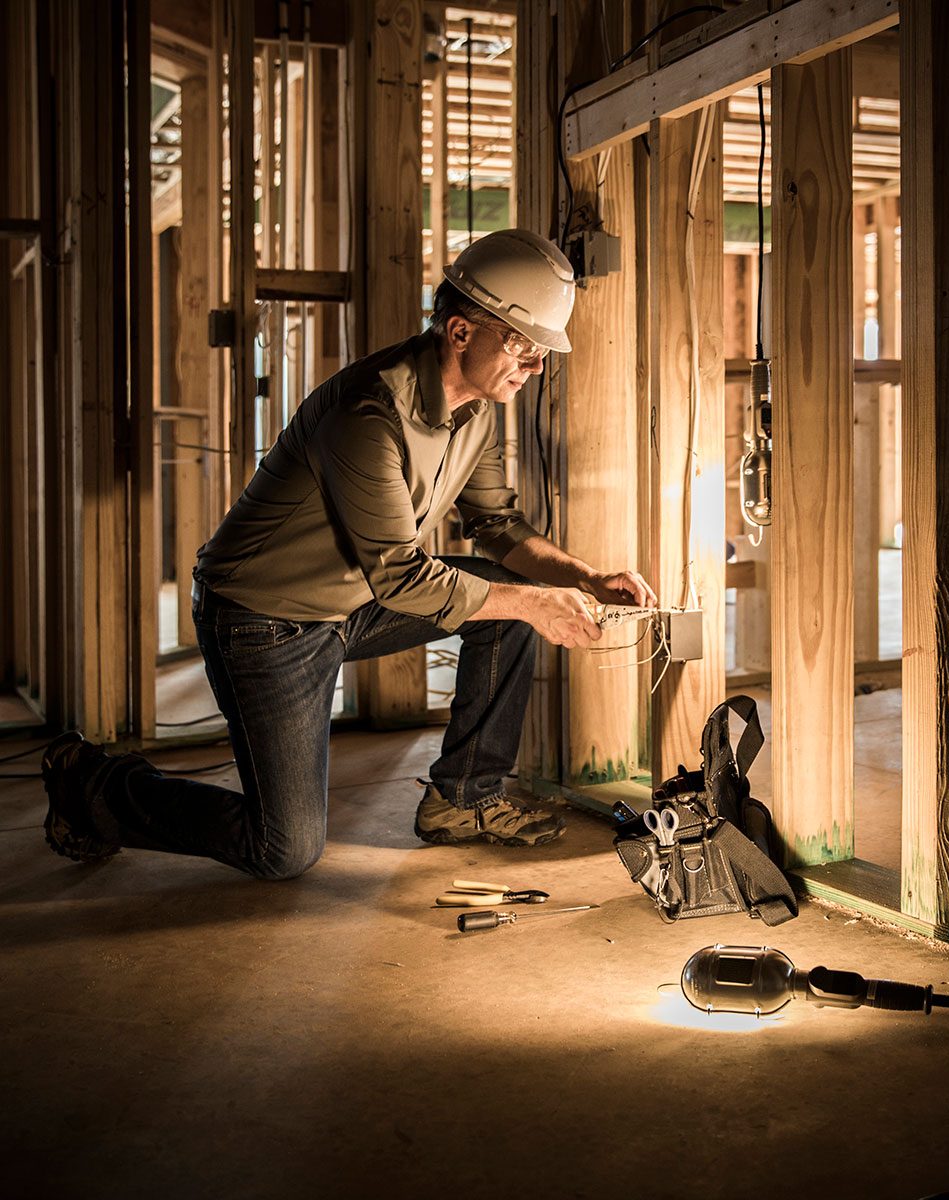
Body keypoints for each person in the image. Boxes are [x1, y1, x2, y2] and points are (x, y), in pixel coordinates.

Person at [41, 228, 656, 879]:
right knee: (282, 848)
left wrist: (585, 580)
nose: (534, 368)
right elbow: (398, 575)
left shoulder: (477, 411)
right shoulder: (370, 414)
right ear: (460, 332)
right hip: (262, 621)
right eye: (523, 346)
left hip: (351, 603)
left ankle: (463, 799)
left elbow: (497, 527)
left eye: (540, 353)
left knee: (507, 599)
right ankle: (94, 785)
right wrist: (534, 602)